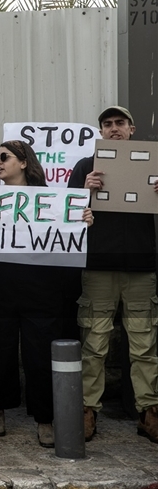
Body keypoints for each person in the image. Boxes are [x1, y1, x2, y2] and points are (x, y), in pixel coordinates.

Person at [0, 141, 92, 447]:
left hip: (41, 287)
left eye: (4, 157)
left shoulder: (51, 200)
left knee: (39, 352)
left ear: (23, 162)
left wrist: (82, 221)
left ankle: (44, 418)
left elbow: (66, 240)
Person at [69, 106, 158, 443]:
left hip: (140, 265)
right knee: (94, 344)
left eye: (120, 123)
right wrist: (83, 189)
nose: (113, 128)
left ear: (132, 129)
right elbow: (65, 214)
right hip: (98, 265)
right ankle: (87, 411)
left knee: (145, 344)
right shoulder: (84, 166)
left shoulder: (152, 161)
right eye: (107, 124)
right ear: (100, 132)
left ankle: (149, 413)